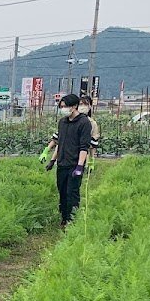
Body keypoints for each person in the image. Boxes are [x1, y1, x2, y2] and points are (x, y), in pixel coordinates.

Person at [51, 93, 92, 226]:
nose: (63, 109)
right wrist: (53, 160)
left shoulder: (84, 122)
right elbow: (60, 143)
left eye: (65, 106)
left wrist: (80, 166)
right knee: (62, 191)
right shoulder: (62, 122)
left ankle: (72, 220)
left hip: (74, 164)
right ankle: (64, 217)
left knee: (72, 193)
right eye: (61, 107)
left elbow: (84, 147)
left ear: (74, 106)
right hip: (62, 163)